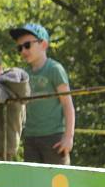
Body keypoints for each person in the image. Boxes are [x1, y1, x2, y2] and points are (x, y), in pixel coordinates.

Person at [9, 23, 75, 165]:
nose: (23, 51)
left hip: (54, 138)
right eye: (19, 48)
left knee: (58, 181)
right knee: (33, 182)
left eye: (27, 45)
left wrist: (68, 137)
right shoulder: (23, 74)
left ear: (43, 44)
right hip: (31, 137)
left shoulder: (54, 69)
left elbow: (67, 104)